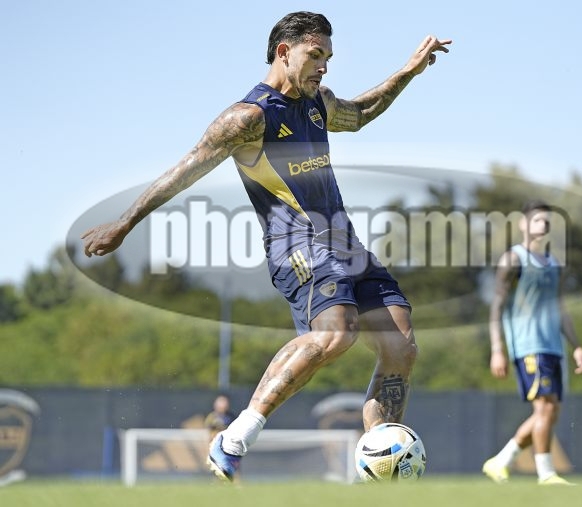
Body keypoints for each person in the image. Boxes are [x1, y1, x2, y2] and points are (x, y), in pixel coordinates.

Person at [81, 11, 451, 482]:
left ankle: (381, 455)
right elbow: (185, 169)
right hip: (296, 246)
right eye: (315, 55)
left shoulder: (317, 102)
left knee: (401, 344)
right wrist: (125, 222)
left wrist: (408, 72)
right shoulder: (248, 118)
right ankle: (235, 436)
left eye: (328, 57)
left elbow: (359, 114)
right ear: (283, 51)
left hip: (345, 243)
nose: (324, 66)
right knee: (338, 334)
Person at [482, 200, 582, 486]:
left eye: (547, 221)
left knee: (550, 411)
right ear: (523, 224)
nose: (544, 224)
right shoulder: (513, 259)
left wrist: (577, 346)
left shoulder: (554, 263)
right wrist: (497, 349)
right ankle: (546, 473)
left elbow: (560, 308)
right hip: (528, 344)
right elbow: (496, 306)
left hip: (554, 346)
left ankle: (501, 461)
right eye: (538, 220)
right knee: (545, 408)